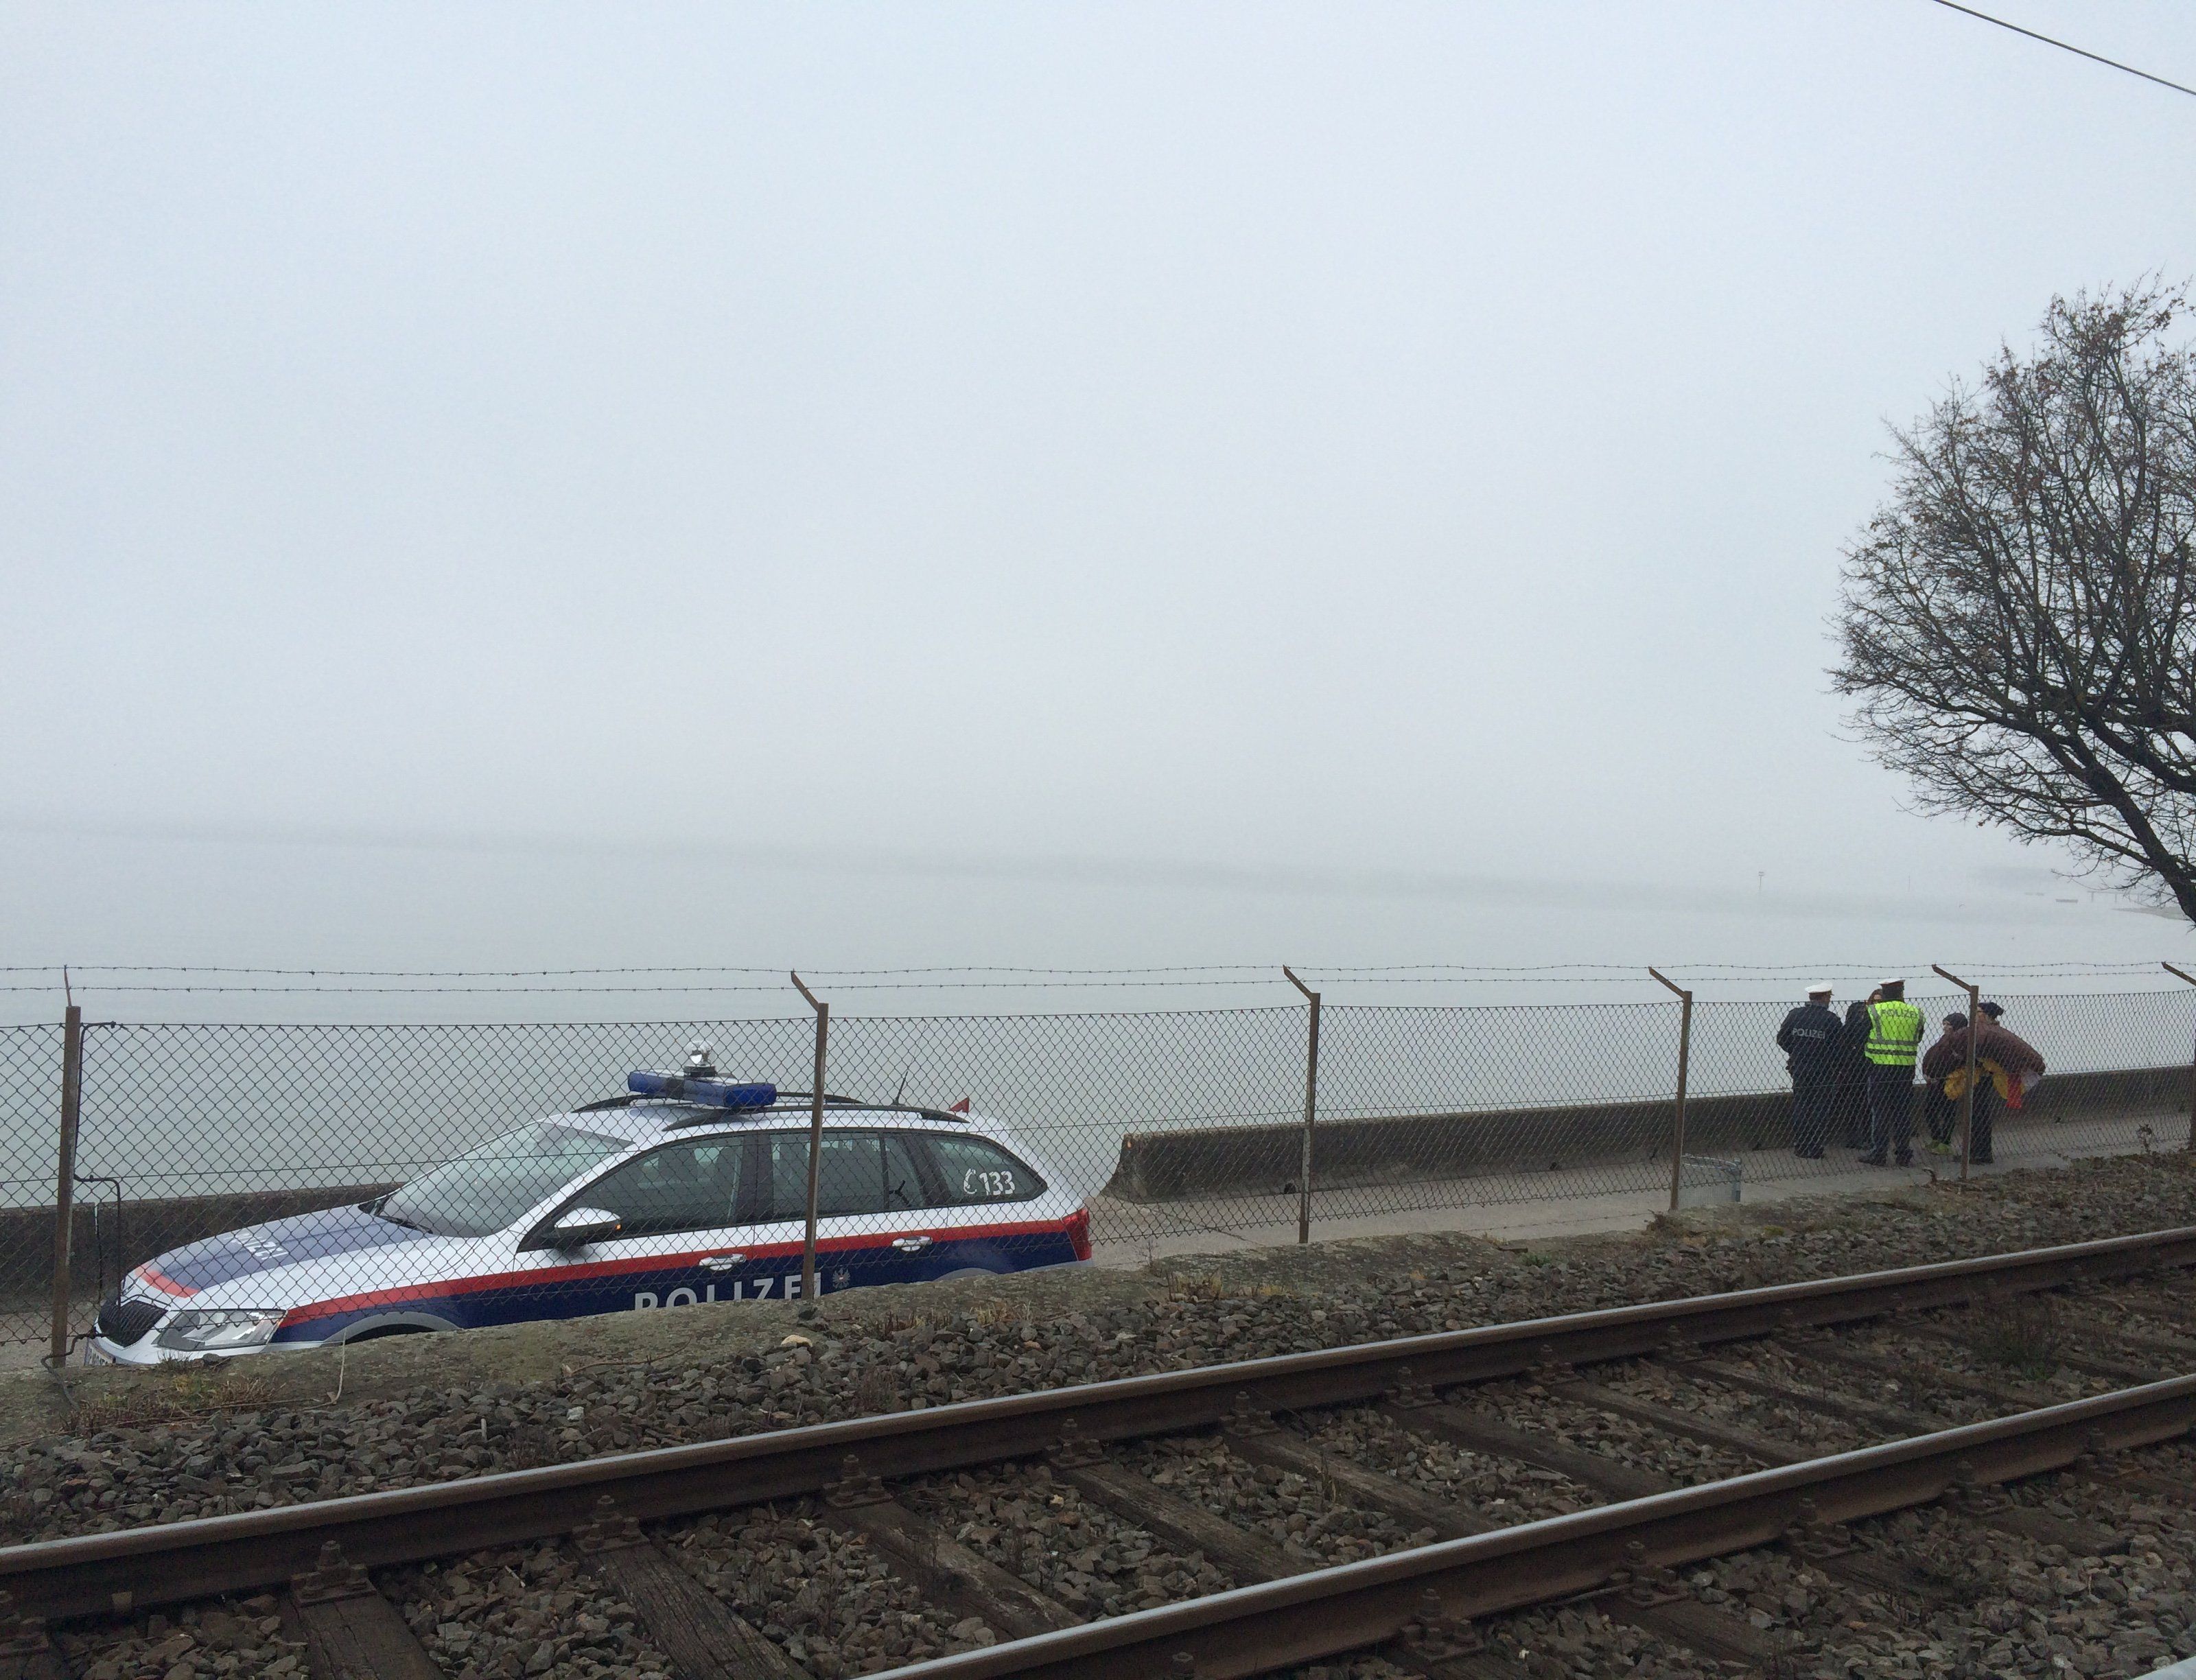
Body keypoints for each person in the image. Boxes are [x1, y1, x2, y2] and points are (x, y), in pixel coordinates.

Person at [1920, 1005, 2045, 1165]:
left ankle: (1976, 1154)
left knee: (1977, 1115)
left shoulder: (1983, 1032)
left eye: (1977, 1012)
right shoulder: (1996, 1032)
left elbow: (1971, 1049)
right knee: (1981, 1115)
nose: (1974, 1016)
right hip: (1988, 1076)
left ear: (1985, 1015)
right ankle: (1981, 1153)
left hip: (1980, 1078)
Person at [1859, 977, 1923, 1167]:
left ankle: (1879, 1153)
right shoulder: (1916, 1013)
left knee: (1880, 1113)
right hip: (1905, 1069)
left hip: (1879, 1068)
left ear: (1884, 993)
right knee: (1902, 1113)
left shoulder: (1874, 1011)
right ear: (1902, 993)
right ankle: (1903, 1153)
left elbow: (1861, 1035)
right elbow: (1918, 1037)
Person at [1775, 984, 1844, 1158]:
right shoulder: (1831, 1020)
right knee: (1820, 1108)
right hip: (1824, 1069)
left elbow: (1782, 1039)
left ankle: (1801, 1145)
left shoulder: (1795, 1015)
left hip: (1800, 1067)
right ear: (1825, 997)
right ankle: (1815, 1147)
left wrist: (1797, 1051)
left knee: (1801, 1105)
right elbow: (1839, 1048)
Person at [1834, 988, 1878, 1147]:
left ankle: (1867, 1136)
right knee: (1854, 1104)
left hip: (1870, 1068)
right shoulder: (1854, 1023)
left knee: (1868, 1105)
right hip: (1853, 1070)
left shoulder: (1876, 1024)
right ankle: (1855, 1138)